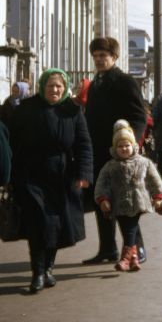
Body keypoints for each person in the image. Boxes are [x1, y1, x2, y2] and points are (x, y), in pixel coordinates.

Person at [9, 69, 92, 293]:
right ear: (42, 86)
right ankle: (37, 273)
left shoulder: (73, 111)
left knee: (55, 225)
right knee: (38, 223)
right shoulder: (26, 109)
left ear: (64, 88)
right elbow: (11, 140)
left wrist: (84, 175)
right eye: (50, 86)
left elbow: (83, 145)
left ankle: (48, 269)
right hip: (30, 174)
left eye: (59, 86)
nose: (55, 90)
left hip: (62, 176)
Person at [83, 37, 148, 266]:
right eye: (96, 56)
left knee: (125, 203)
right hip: (99, 153)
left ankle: (136, 249)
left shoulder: (124, 81)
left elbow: (139, 117)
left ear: (114, 57)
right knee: (103, 201)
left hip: (120, 154)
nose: (100, 60)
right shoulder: (96, 84)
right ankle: (107, 249)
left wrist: (130, 144)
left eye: (104, 56)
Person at [95, 120, 162, 272]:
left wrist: (158, 197)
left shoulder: (144, 162)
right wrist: (103, 199)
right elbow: (102, 184)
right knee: (126, 228)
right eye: (120, 146)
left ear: (133, 146)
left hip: (137, 202)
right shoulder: (110, 166)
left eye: (127, 145)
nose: (124, 149)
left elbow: (155, 180)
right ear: (115, 148)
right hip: (118, 204)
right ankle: (133, 259)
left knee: (130, 228)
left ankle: (125, 259)